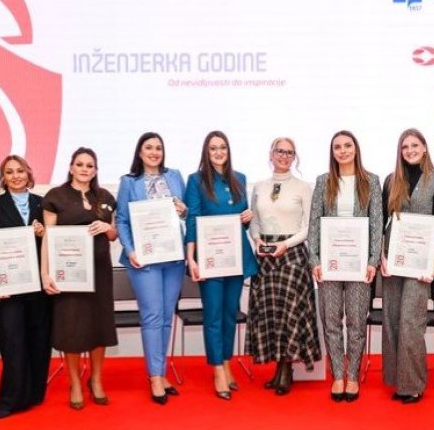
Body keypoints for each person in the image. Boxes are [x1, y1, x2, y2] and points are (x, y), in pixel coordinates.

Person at [308, 130, 382, 402]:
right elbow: (314, 222)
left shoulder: (370, 181)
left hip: (359, 265)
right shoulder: (323, 181)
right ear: (332, 152)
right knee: (331, 321)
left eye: (347, 145)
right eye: (337, 147)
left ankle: (352, 376)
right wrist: (314, 259)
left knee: (356, 322)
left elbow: (376, 223)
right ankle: (337, 375)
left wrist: (373, 261)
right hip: (329, 264)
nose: (343, 151)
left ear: (356, 149)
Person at [41, 147, 118, 410]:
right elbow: (48, 238)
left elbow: (114, 235)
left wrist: (108, 227)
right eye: (80, 164)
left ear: (95, 170)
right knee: (71, 328)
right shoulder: (56, 196)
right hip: (69, 275)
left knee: (99, 326)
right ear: (71, 167)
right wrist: (45, 273)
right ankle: (74, 382)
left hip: (100, 273)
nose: (85, 169)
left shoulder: (105, 197)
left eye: (90, 165)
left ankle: (96, 379)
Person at [184, 130, 258, 400]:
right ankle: (217, 369)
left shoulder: (240, 178)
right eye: (213, 148)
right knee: (213, 315)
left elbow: (243, 220)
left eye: (223, 147)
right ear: (206, 152)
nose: (218, 152)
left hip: (235, 256)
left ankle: (226, 362)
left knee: (229, 313)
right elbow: (192, 218)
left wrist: (248, 217)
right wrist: (191, 257)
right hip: (210, 259)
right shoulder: (196, 180)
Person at [116, 132, 187, 405]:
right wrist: (131, 251)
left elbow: (186, 212)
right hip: (143, 259)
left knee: (167, 316)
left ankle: (161, 371)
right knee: (152, 316)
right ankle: (155, 376)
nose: (154, 152)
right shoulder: (129, 182)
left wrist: (183, 210)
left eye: (158, 148)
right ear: (140, 152)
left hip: (173, 257)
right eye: (149, 147)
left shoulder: (174, 176)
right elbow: (122, 220)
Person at [246, 137, 321, 395]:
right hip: (265, 256)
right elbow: (254, 222)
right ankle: (279, 367)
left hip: (292, 254)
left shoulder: (303, 187)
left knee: (290, 312)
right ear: (271, 153)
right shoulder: (259, 186)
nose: (284, 156)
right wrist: (256, 240)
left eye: (289, 152)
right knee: (272, 313)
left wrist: (285, 244)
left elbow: (309, 226)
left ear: (294, 157)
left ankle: (287, 369)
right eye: (280, 151)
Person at [379, 129, 434, 404]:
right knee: (392, 319)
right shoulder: (391, 180)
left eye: (415, 145)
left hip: (421, 261)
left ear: (425, 147)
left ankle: (413, 385)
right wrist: (382, 257)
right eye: (405, 146)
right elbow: (382, 222)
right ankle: (398, 381)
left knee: (411, 321)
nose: (410, 150)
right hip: (393, 259)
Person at [0, 155, 51, 418]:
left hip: (38, 287)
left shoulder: (43, 204)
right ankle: (9, 401)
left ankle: (34, 394)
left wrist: (44, 234)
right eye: (9, 172)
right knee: (11, 342)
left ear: (28, 173)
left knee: (39, 340)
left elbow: (52, 242)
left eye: (20, 171)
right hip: (8, 288)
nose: (15, 176)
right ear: (3, 177)